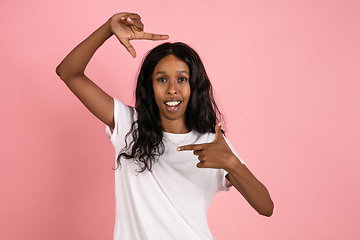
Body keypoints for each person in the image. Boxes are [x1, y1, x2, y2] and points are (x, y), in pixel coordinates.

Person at [56, 12, 273, 240]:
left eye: (182, 79)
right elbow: (68, 73)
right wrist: (107, 29)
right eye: (162, 79)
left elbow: (265, 207)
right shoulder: (129, 125)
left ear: (194, 86)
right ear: (150, 86)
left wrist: (232, 164)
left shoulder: (211, 141)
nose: (172, 89)